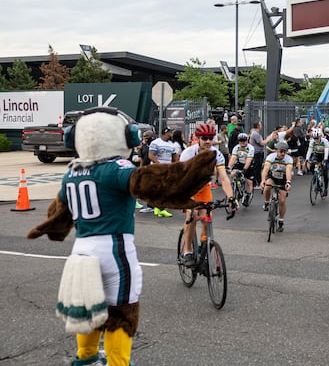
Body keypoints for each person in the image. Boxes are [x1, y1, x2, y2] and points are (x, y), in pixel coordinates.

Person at [27, 107, 216, 366]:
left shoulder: (71, 172)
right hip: (114, 249)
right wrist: (192, 172)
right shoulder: (116, 168)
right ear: (128, 136)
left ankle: (87, 357)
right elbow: (150, 183)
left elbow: (59, 213)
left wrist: (47, 229)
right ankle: (118, 362)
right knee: (122, 310)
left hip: (81, 251)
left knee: (90, 305)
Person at [179, 123, 236, 266]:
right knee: (191, 217)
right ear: (198, 138)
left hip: (203, 187)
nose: (208, 141)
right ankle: (187, 251)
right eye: (204, 138)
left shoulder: (216, 154)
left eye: (211, 138)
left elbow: (224, 178)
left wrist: (231, 198)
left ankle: (202, 250)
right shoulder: (188, 154)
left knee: (206, 217)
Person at [261, 140, 294, 232]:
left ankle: (281, 220)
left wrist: (288, 182)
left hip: (283, 178)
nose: (283, 153)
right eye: (281, 151)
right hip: (273, 176)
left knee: (282, 200)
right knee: (267, 186)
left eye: (285, 151)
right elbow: (266, 169)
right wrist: (263, 180)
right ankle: (267, 202)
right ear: (276, 151)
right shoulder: (271, 157)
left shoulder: (288, 159)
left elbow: (288, 170)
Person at [148, 127, 179, 218]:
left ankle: (160, 208)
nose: (171, 134)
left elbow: (174, 157)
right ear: (165, 133)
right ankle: (157, 207)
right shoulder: (156, 143)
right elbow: (151, 155)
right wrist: (159, 164)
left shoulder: (171, 144)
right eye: (169, 132)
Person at [228, 132, 255, 202]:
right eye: (241, 141)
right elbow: (233, 158)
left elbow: (249, 160)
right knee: (232, 174)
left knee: (249, 182)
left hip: (248, 165)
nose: (242, 142)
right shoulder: (236, 147)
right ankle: (236, 187)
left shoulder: (250, 148)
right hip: (239, 163)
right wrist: (229, 167)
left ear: (247, 140)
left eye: (244, 141)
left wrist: (245, 169)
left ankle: (248, 195)